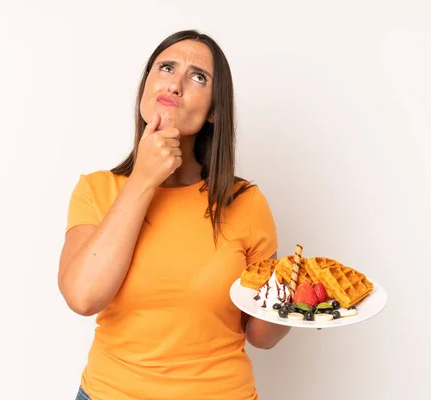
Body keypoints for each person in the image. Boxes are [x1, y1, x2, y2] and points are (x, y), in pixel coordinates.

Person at [58, 29, 291, 400]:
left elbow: (261, 336)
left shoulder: (245, 202)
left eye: (198, 76)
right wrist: (143, 180)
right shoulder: (97, 190)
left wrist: (292, 301)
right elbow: (83, 297)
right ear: (146, 87)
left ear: (215, 109)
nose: (176, 83)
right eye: (166, 67)